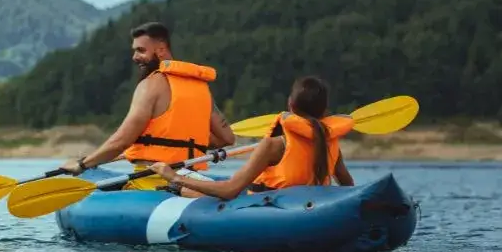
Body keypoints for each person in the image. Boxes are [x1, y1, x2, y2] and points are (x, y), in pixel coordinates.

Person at [59, 21, 236, 190]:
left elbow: (121, 142)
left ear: (160, 49)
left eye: (141, 50)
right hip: (192, 182)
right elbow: (227, 138)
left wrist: (81, 164)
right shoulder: (200, 87)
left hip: (151, 183)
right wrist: (186, 144)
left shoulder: (150, 85)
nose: (135, 57)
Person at [148, 75, 356, 199]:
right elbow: (347, 186)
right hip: (305, 205)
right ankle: (178, 187)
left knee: (215, 188)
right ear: (325, 112)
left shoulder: (274, 145)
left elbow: (229, 190)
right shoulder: (330, 141)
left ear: (290, 105)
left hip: (266, 207)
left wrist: (173, 175)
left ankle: (175, 188)